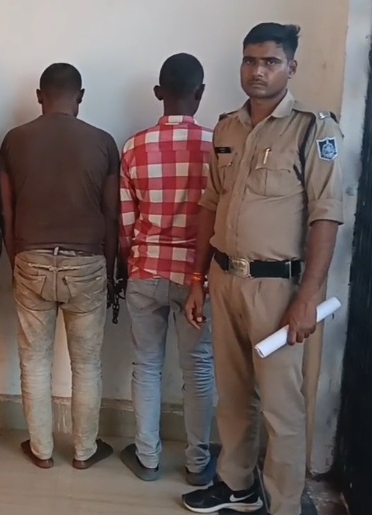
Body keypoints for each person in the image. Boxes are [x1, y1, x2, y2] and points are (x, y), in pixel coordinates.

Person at [182, 23, 344, 515]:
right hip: (225, 278)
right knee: (232, 396)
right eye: (250, 60)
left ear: (290, 68)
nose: (258, 71)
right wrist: (197, 279)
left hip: (279, 290)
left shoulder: (313, 129)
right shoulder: (227, 127)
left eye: (270, 62)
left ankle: (285, 503)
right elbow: (210, 203)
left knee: (281, 405)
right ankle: (237, 486)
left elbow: (326, 215)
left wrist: (308, 297)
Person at [0, 63, 118, 470]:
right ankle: (84, 451)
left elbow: (6, 210)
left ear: (39, 96)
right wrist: (110, 269)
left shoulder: (14, 140)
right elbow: (111, 214)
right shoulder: (102, 142)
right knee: (86, 364)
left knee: (34, 360)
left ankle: (41, 450)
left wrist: (16, 258)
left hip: (30, 258)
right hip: (87, 262)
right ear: (80, 96)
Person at [118, 54, 216, 485]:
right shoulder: (217, 146)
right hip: (198, 278)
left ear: (159, 93)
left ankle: (148, 458)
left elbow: (126, 223)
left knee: (146, 365)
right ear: (201, 92)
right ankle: (197, 463)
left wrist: (132, 260)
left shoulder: (133, 147)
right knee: (199, 368)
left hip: (146, 271)